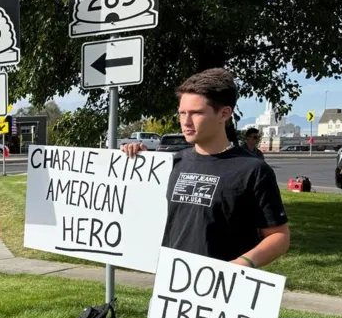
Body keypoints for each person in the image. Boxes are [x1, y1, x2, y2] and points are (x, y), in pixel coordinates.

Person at [121, 68, 290, 268]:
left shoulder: (253, 170)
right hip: (172, 286)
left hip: (223, 288)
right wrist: (136, 160)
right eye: (182, 113)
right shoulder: (173, 163)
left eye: (196, 113)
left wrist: (242, 263)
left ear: (224, 113)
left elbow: (279, 236)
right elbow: (139, 211)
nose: (186, 121)